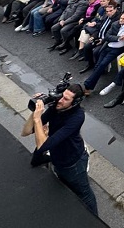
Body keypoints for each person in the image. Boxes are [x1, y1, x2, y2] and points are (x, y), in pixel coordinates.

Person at [23, 84, 98, 216]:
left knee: (85, 194)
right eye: (62, 96)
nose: (60, 100)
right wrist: (35, 112)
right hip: (58, 157)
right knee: (65, 185)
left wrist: (37, 119)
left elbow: (42, 146)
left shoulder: (77, 117)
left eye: (66, 99)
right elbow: (26, 131)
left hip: (72, 163)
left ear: (74, 103)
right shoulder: (56, 108)